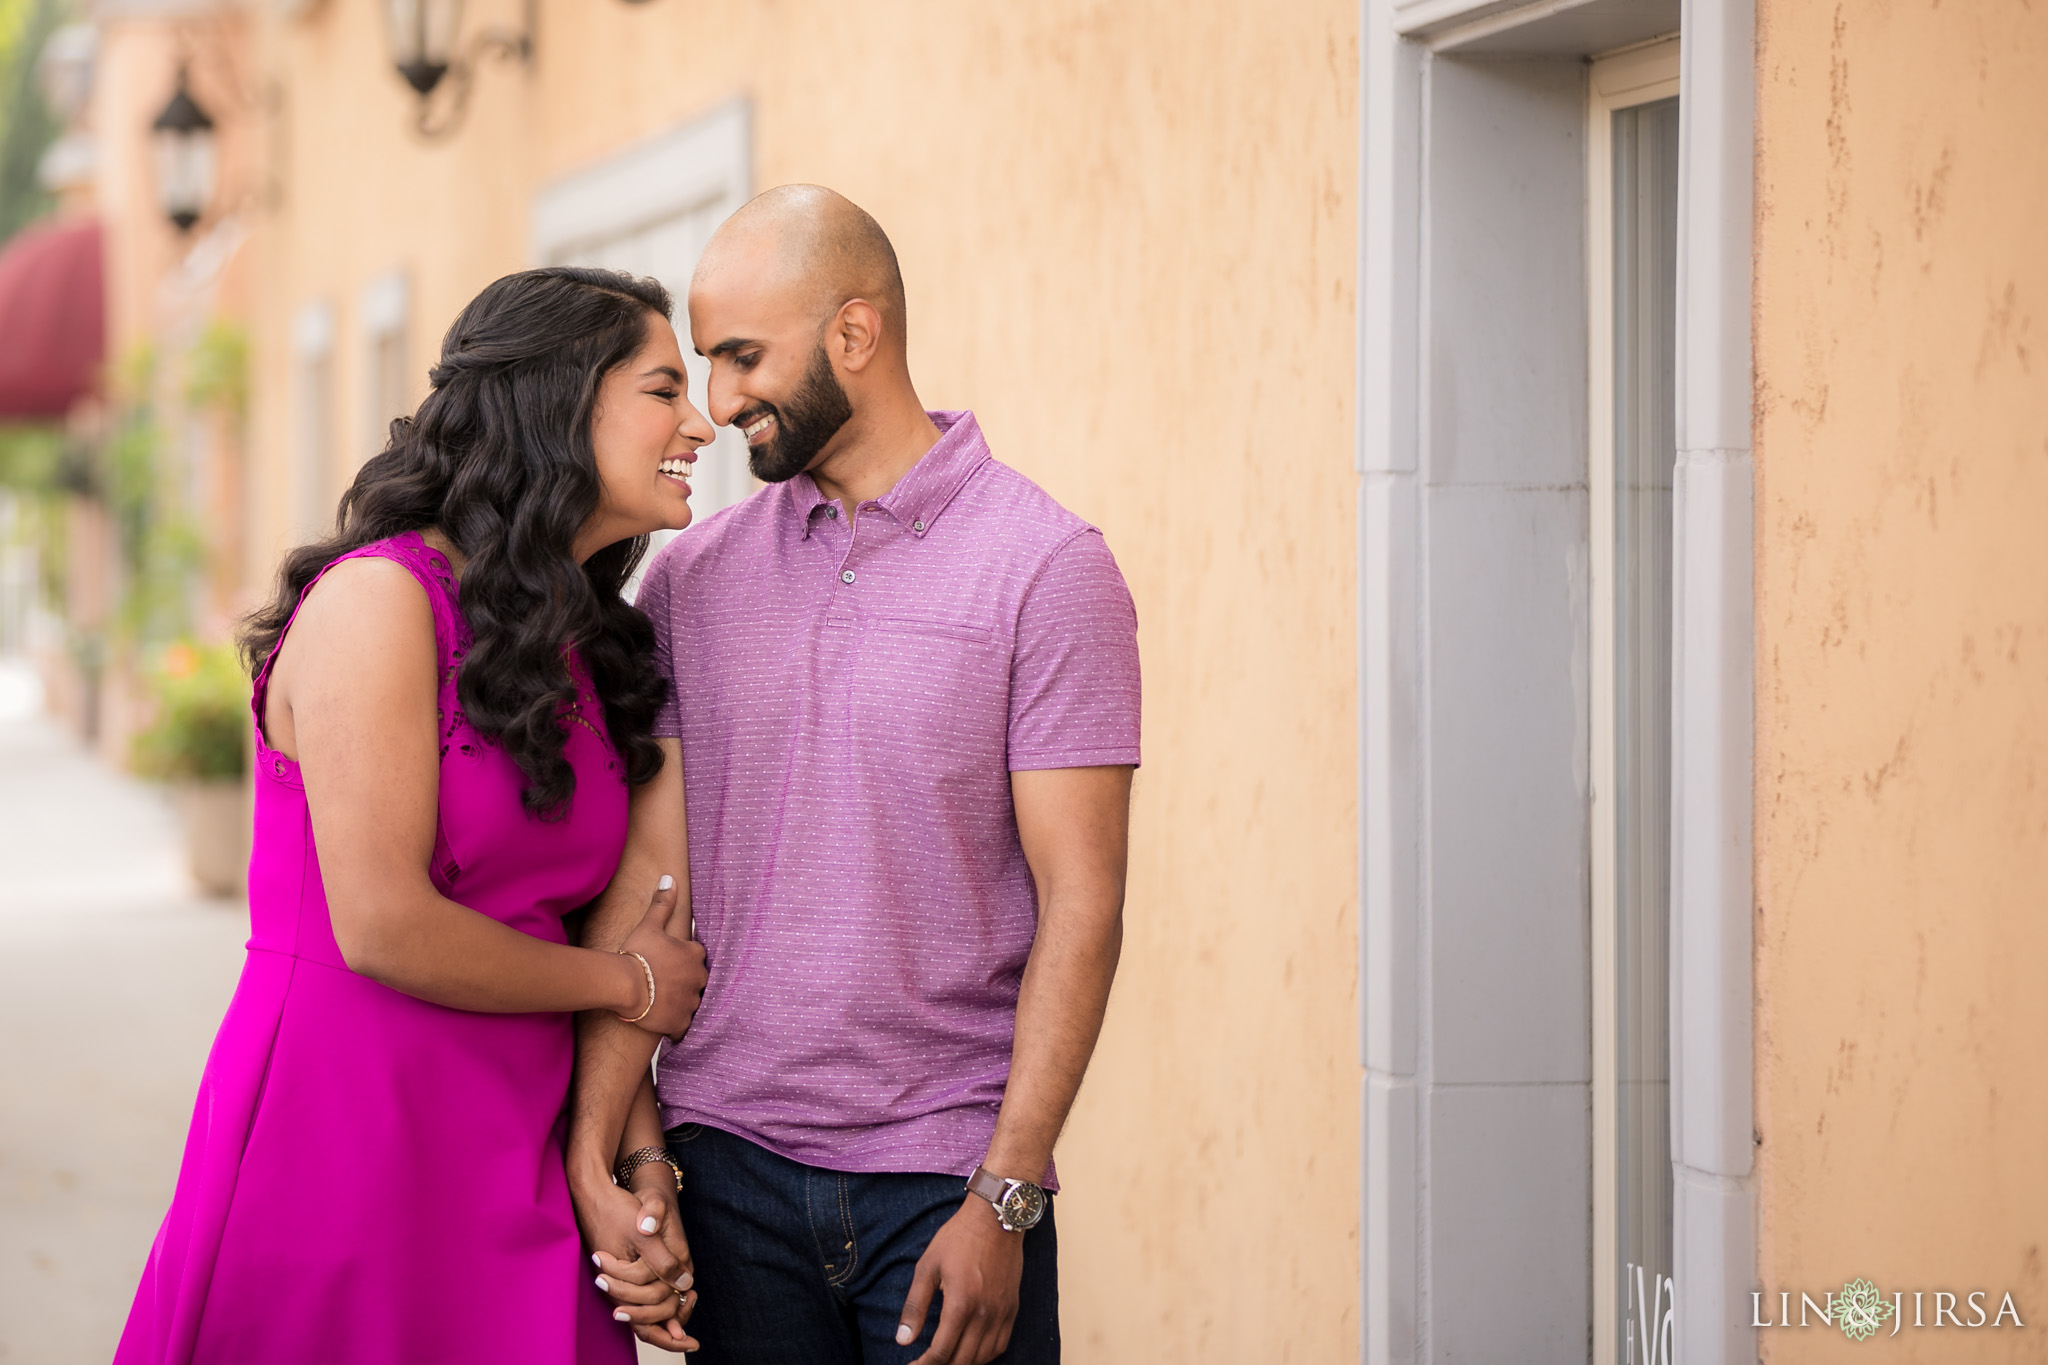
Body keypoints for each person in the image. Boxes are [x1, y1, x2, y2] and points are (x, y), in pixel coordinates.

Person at [567, 186, 1141, 1365]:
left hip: (942, 1183)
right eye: (703, 368)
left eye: (739, 359)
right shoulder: (693, 581)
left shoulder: (1046, 571)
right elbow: (649, 880)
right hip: (727, 1171)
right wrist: (636, 1151)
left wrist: (1006, 1198)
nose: (718, 406)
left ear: (853, 335)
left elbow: (1081, 907)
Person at [115, 267, 715, 1365]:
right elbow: (385, 924)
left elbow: (602, 927)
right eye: (663, 389)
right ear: (556, 400)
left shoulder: (586, 642)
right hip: (343, 1135)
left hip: (521, 1137)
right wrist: (628, 985)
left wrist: (634, 1162)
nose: (701, 422)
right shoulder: (378, 602)